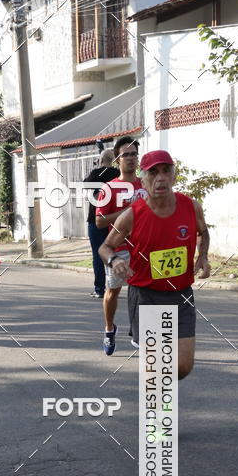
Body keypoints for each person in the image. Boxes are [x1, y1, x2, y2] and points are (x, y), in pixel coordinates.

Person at [100, 149, 210, 379]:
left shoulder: (191, 206)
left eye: (166, 171)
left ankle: (159, 393)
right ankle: (156, 411)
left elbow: (203, 232)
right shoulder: (133, 214)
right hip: (147, 296)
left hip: (182, 295)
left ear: (174, 176)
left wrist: (203, 256)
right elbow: (105, 247)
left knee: (183, 366)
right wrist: (115, 260)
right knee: (158, 368)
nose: (160, 177)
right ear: (144, 179)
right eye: (153, 172)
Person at [96, 136, 148, 355]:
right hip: (119, 249)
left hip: (144, 249)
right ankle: (109, 328)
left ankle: (141, 332)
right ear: (117, 159)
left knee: (147, 293)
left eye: (134, 154)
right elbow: (99, 221)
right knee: (113, 292)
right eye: (125, 154)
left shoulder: (147, 184)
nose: (130, 158)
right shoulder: (109, 188)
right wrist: (129, 213)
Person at [84, 150, 119, 298]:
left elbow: (85, 184)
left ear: (100, 159)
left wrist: (98, 167)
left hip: (96, 218)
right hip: (115, 219)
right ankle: (114, 287)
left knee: (98, 255)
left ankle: (100, 289)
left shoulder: (96, 172)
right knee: (114, 253)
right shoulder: (117, 173)